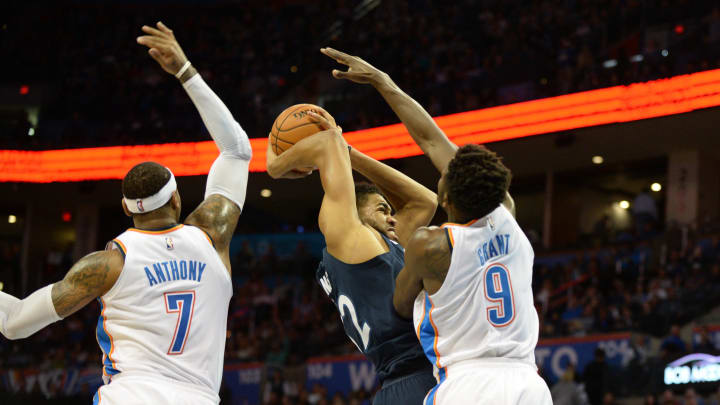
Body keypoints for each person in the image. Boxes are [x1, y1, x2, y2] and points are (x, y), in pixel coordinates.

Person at [0, 22, 251, 404]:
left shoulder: (105, 265)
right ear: (177, 200)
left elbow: (15, 324)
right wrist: (184, 70)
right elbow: (235, 150)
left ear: (125, 209)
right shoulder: (212, 233)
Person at [316, 48, 550, 404]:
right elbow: (434, 142)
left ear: (449, 201)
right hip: (527, 381)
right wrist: (383, 81)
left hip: (467, 383)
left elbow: (398, 303)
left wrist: (382, 81)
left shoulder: (431, 246)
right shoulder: (507, 215)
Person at [266, 95, 438, 402]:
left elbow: (425, 202)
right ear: (353, 214)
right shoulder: (352, 238)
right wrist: (277, 164)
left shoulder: (377, 246)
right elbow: (328, 138)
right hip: (417, 380)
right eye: (381, 209)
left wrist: (349, 153)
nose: (391, 216)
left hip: (402, 383)